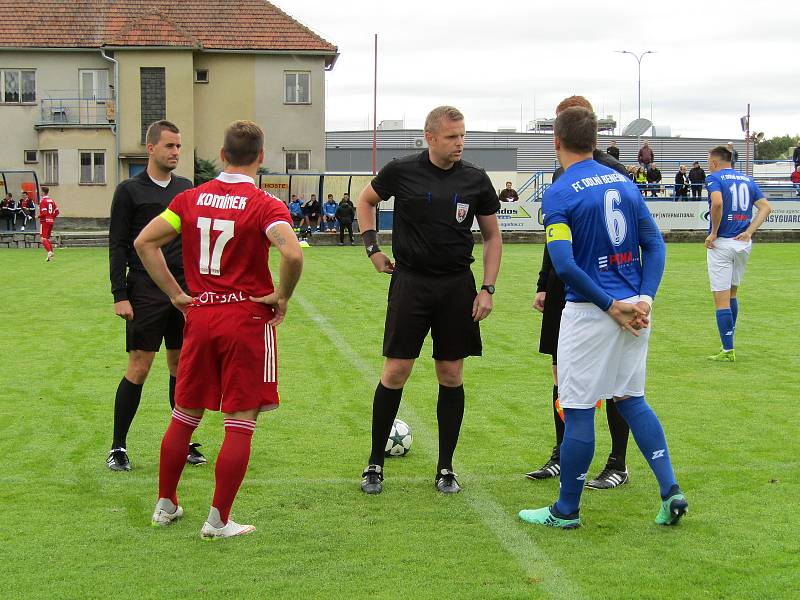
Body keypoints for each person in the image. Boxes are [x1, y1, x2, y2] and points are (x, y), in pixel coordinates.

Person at [519, 106, 687, 529]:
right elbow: (657, 246)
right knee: (632, 399)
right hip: (636, 311)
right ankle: (671, 492)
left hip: (592, 313)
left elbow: (566, 265)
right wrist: (644, 299)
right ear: (595, 141)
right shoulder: (626, 183)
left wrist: (611, 307)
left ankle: (566, 510)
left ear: (555, 142)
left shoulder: (559, 191)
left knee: (576, 410)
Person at [136, 120, 303, 538]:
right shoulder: (265, 204)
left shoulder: (189, 198)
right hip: (245, 318)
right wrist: (281, 296)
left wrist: (176, 294)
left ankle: (165, 504)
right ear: (261, 158)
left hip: (202, 315)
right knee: (240, 418)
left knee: (185, 413)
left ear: (223, 155)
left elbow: (144, 242)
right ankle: (218, 520)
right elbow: (293, 254)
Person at [357, 105, 502, 495]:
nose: (460, 143)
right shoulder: (401, 170)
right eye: (453, 136)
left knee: (451, 374)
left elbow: (492, 236)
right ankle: (374, 463)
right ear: (431, 137)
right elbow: (365, 201)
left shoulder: (475, 179)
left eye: (463, 135)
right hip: (410, 283)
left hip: (457, 286)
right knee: (396, 371)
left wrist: (487, 288)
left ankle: (446, 467)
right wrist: (372, 248)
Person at [528, 95, 632, 490]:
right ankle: (562, 453)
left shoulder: (614, 172)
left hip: (604, 286)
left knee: (617, 381)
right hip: (563, 286)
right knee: (562, 373)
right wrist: (543, 283)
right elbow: (554, 237)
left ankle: (617, 463)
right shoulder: (561, 174)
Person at [107, 120, 206, 471]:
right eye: (169, 146)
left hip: (182, 291)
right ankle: (118, 447)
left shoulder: (186, 189)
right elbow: (118, 244)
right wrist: (120, 293)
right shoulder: (129, 191)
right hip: (145, 292)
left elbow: (194, 242)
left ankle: (184, 441)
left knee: (181, 367)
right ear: (151, 149)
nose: (176, 152)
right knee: (139, 366)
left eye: (179, 146)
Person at [703, 145, 771, 362]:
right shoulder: (747, 180)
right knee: (732, 294)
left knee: (720, 299)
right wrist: (750, 231)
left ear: (714, 162)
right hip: (742, 244)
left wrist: (713, 232)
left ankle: (727, 349)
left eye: (708, 162)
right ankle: (729, 344)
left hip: (722, 244)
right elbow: (766, 207)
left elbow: (718, 202)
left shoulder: (714, 178)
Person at [39, 186, 59, 262]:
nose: (40, 192)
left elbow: (44, 213)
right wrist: (51, 217)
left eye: (41, 191)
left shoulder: (43, 201)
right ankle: (51, 256)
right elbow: (57, 212)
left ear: (43, 192)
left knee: (43, 239)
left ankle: (49, 252)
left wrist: (37, 216)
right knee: (47, 239)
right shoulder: (52, 201)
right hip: (51, 221)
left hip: (44, 222)